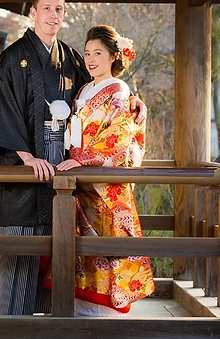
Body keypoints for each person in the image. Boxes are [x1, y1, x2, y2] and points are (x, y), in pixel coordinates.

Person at [0, 0, 145, 315]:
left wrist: (133, 102)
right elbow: (4, 110)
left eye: (58, 9)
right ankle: (10, 327)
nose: (53, 15)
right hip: (28, 170)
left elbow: (99, 90)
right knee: (22, 247)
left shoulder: (71, 58)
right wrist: (26, 156)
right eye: (46, 9)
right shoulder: (11, 60)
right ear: (33, 13)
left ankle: (53, 319)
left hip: (61, 169)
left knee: (58, 249)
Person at [57, 24, 155, 316]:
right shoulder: (86, 88)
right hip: (78, 175)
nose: (90, 59)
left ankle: (107, 309)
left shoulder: (119, 90)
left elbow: (119, 134)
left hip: (101, 178)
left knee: (107, 241)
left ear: (113, 56)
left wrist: (85, 159)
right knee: (81, 244)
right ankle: (81, 304)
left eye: (98, 53)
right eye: (87, 53)